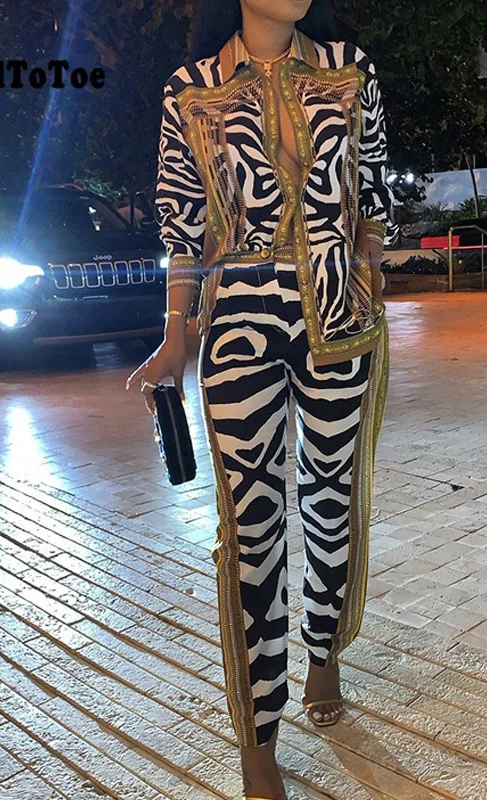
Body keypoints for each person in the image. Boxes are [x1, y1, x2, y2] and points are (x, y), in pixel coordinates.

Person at [127, 0, 397, 796]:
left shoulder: (348, 69)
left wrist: (371, 273)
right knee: (251, 530)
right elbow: (183, 226)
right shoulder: (191, 88)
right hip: (239, 318)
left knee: (330, 501)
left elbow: (372, 194)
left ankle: (324, 651)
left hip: (339, 318)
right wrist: (175, 334)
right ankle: (257, 735)